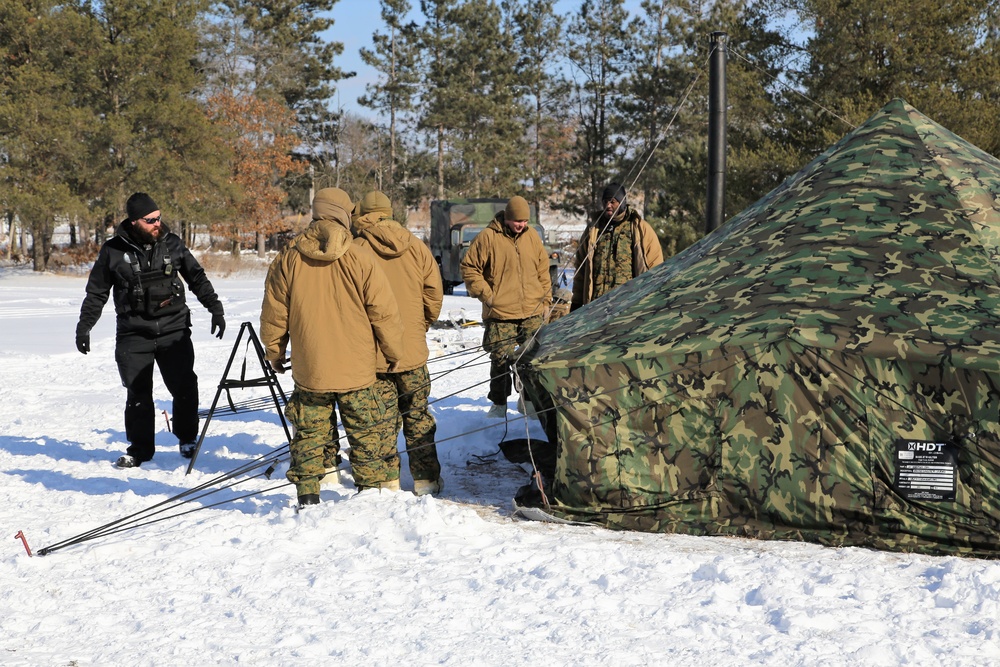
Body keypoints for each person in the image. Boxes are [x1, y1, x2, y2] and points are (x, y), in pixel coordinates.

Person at [260, 187, 405, 507]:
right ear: (343, 213)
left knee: (309, 433)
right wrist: (394, 352)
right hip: (357, 367)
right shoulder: (360, 256)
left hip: (311, 366)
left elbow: (274, 311)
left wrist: (274, 351)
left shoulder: (288, 257)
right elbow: (384, 311)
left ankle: (308, 495)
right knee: (366, 431)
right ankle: (369, 493)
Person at [75, 192, 226, 468]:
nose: (158, 223)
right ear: (134, 222)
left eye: (159, 217)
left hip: (174, 328)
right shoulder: (113, 251)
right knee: (138, 393)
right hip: (134, 333)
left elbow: (197, 278)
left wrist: (215, 308)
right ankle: (140, 449)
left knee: (184, 386)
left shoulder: (172, 244)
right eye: (150, 219)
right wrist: (85, 326)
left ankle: (187, 437)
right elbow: (97, 292)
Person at [352, 191, 445, 496]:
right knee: (417, 414)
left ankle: (386, 481)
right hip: (412, 351)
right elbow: (434, 294)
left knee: (380, 419)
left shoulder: (356, 249)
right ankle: (426, 480)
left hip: (373, 353)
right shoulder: (417, 247)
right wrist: (420, 326)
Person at [460, 195, 551, 418]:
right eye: (517, 221)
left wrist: (545, 300)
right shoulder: (488, 237)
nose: (521, 225)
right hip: (500, 313)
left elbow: (543, 272)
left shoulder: (532, 238)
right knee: (500, 359)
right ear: (507, 218)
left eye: (525, 221)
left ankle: (528, 401)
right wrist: (488, 296)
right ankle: (499, 404)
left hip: (531, 311)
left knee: (531, 360)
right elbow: (469, 268)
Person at [571, 182, 664, 311]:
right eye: (605, 202)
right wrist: (576, 302)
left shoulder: (638, 228)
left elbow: (655, 265)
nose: (608, 206)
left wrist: (653, 299)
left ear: (622, 202)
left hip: (627, 306)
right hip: (596, 307)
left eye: (612, 202)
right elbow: (581, 269)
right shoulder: (594, 230)